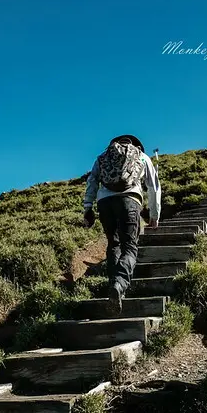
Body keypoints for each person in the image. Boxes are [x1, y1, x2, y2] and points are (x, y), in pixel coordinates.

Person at [82, 135, 161, 314]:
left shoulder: (102, 157)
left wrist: (88, 207)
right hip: (130, 200)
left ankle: (114, 289)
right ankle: (119, 284)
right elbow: (153, 186)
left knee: (113, 244)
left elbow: (92, 181)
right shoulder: (142, 156)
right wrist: (154, 215)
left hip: (105, 203)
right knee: (130, 247)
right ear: (135, 144)